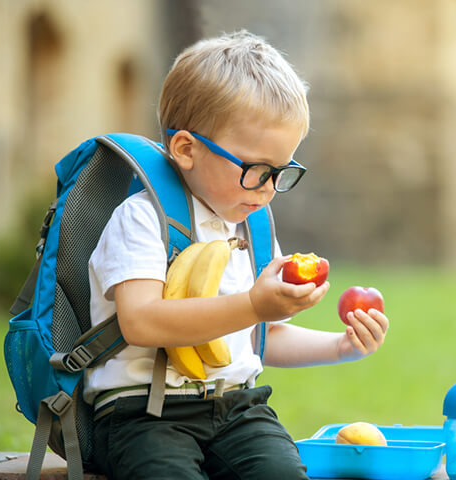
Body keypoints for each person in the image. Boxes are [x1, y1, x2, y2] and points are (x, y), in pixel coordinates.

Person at [84, 30, 389, 479]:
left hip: (238, 407)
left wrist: (341, 346)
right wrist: (251, 305)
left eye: (281, 171)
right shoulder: (142, 219)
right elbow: (141, 322)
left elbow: (262, 336)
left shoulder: (252, 226)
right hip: (143, 413)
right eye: (255, 169)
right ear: (186, 149)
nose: (268, 188)